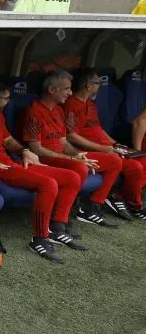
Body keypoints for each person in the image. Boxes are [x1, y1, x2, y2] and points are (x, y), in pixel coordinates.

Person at [0, 79, 83, 264]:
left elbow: (7, 140)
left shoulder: (0, 117)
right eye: (6, 98)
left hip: (13, 163)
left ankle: (58, 227)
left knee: (72, 177)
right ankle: (40, 239)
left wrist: (24, 151)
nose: (9, 102)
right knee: (48, 184)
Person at [23, 70, 122, 228]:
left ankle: (91, 207)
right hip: (46, 158)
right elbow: (36, 149)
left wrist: (78, 154)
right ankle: (59, 219)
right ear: (51, 90)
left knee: (114, 161)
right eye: (66, 89)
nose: (70, 93)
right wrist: (72, 159)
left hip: (63, 156)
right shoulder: (34, 111)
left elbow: (64, 141)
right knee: (79, 167)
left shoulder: (58, 110)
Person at [65, 67, 146, 220]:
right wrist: (104, 148)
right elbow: (71, 137)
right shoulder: (71, 105)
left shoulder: (90, 104)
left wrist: (116, 145)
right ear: (88, 86)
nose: (99, 86)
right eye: (97, 83)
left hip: (105, 149)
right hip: (86, 151)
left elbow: (98, 130)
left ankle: (123, 199)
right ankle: (93, 205)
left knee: (139, 163)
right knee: (127, 164)